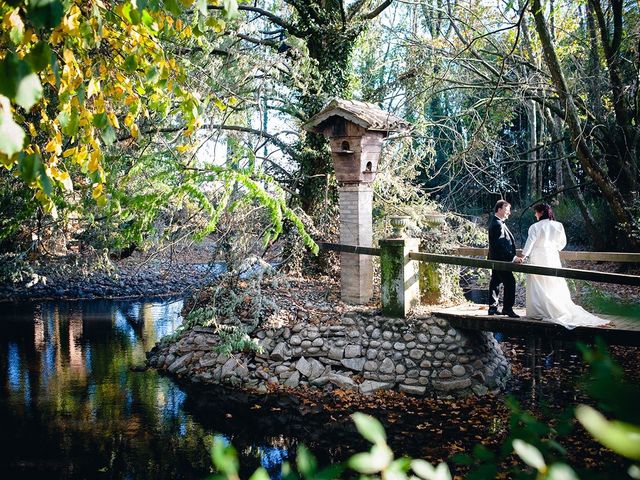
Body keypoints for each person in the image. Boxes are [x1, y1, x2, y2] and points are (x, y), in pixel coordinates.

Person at [517, 203, 609, 329]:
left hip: (538, 257)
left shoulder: (535, 227)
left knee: (538, 282)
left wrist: (523, 255)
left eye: (536, 212)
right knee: (553, 281)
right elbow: (562, 243)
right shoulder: (558, 225)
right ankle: (556, 308)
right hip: (552, 256)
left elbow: (530, 243)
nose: (535, 214)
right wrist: (553, 249)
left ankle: (539, 310)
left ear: (541, 212)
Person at [487, 200, 520, 318]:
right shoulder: (497, 224)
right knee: (510, 282)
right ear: (499, 209)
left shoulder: (496, 222)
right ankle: (507, 308)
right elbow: (500, 244)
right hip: (500, 260)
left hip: (496, 259)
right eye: (507, 210)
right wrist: (513, 257)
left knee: (495, 282)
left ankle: (492, 308)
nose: (509, 213)